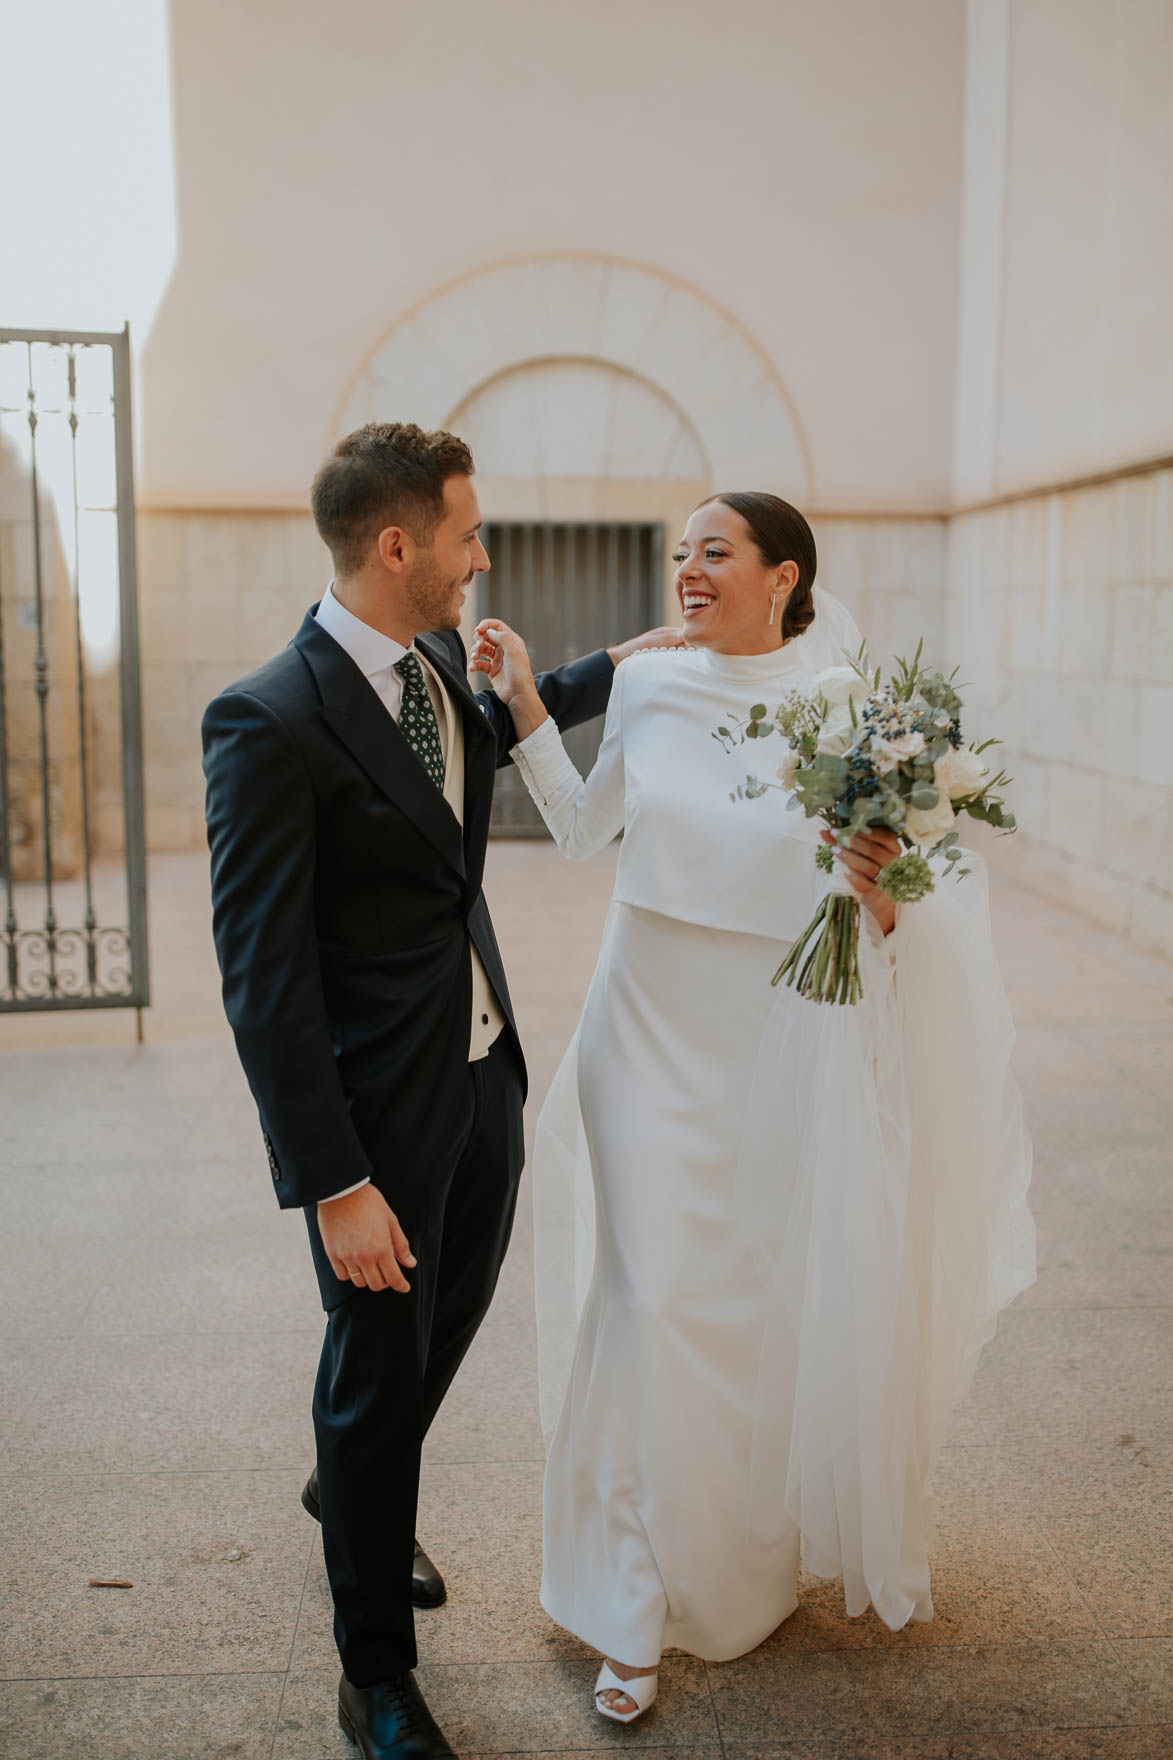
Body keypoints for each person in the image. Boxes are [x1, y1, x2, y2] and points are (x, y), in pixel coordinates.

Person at [471, 490, 1036, 1724]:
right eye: (680, 554)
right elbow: (580, 828)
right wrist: (522, 699)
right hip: (642, 1031)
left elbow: (887, 917)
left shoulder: (853, 712)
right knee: (646, 1294)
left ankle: (731, 1569)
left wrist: (877, 893)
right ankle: (625, 1606)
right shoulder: (653, 686)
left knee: (740, 1307)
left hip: (771, 1039)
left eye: (713, 553)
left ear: (784, 576)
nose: (687, 571)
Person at [201, 421, 680, 1760]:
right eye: (467, 537)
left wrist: (627, 664)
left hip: (482, 1083)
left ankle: (342, 1490)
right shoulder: (266, 719)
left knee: (442, 1328)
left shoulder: (426, 671)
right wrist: (334, 1182)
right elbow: (264, 980)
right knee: (373, 1372)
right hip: (371, 1124)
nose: (480, 561)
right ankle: (375, 1676)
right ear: (399, 543)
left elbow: (490, 724)